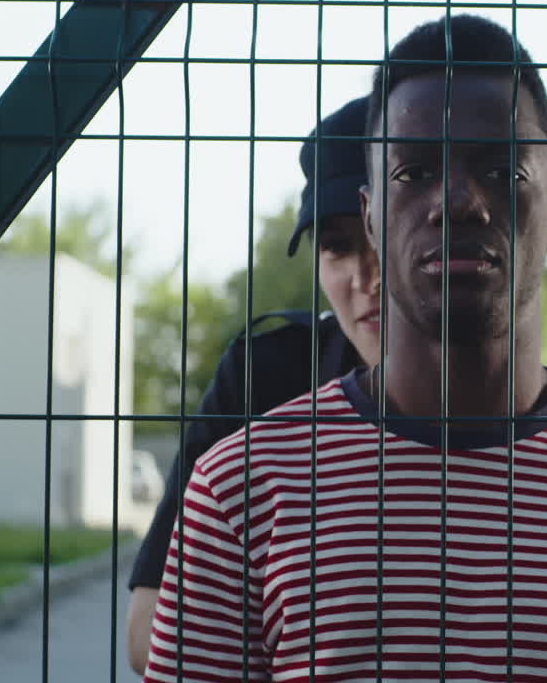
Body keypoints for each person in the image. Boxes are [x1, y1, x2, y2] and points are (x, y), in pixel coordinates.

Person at [142, 15, 547, 682]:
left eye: (501, 169)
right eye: (413, 171)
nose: (459, 201)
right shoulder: (241, 488)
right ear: (371, 214)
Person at [124, 95, 380, 673]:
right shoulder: (266, 376)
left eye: (382, 236)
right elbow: (149, 634)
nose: (365, 276)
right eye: (337, 245)